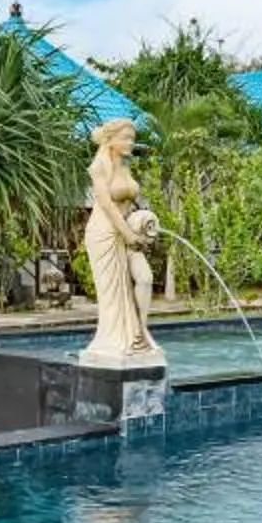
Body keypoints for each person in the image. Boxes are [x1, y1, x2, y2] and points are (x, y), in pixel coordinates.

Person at [81, 119, 160, 363]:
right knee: (113, 294)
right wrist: (127, 233)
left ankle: (140, 332)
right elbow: (105, 204)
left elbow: (129, 200)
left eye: (132, 138)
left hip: (127, 230)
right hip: (104, 233)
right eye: (126, 138)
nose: (131, 143)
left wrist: (141, 223)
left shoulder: (125, 165)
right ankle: (114, 339)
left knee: (145, 278)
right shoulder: (99, 166)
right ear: (111, 139)